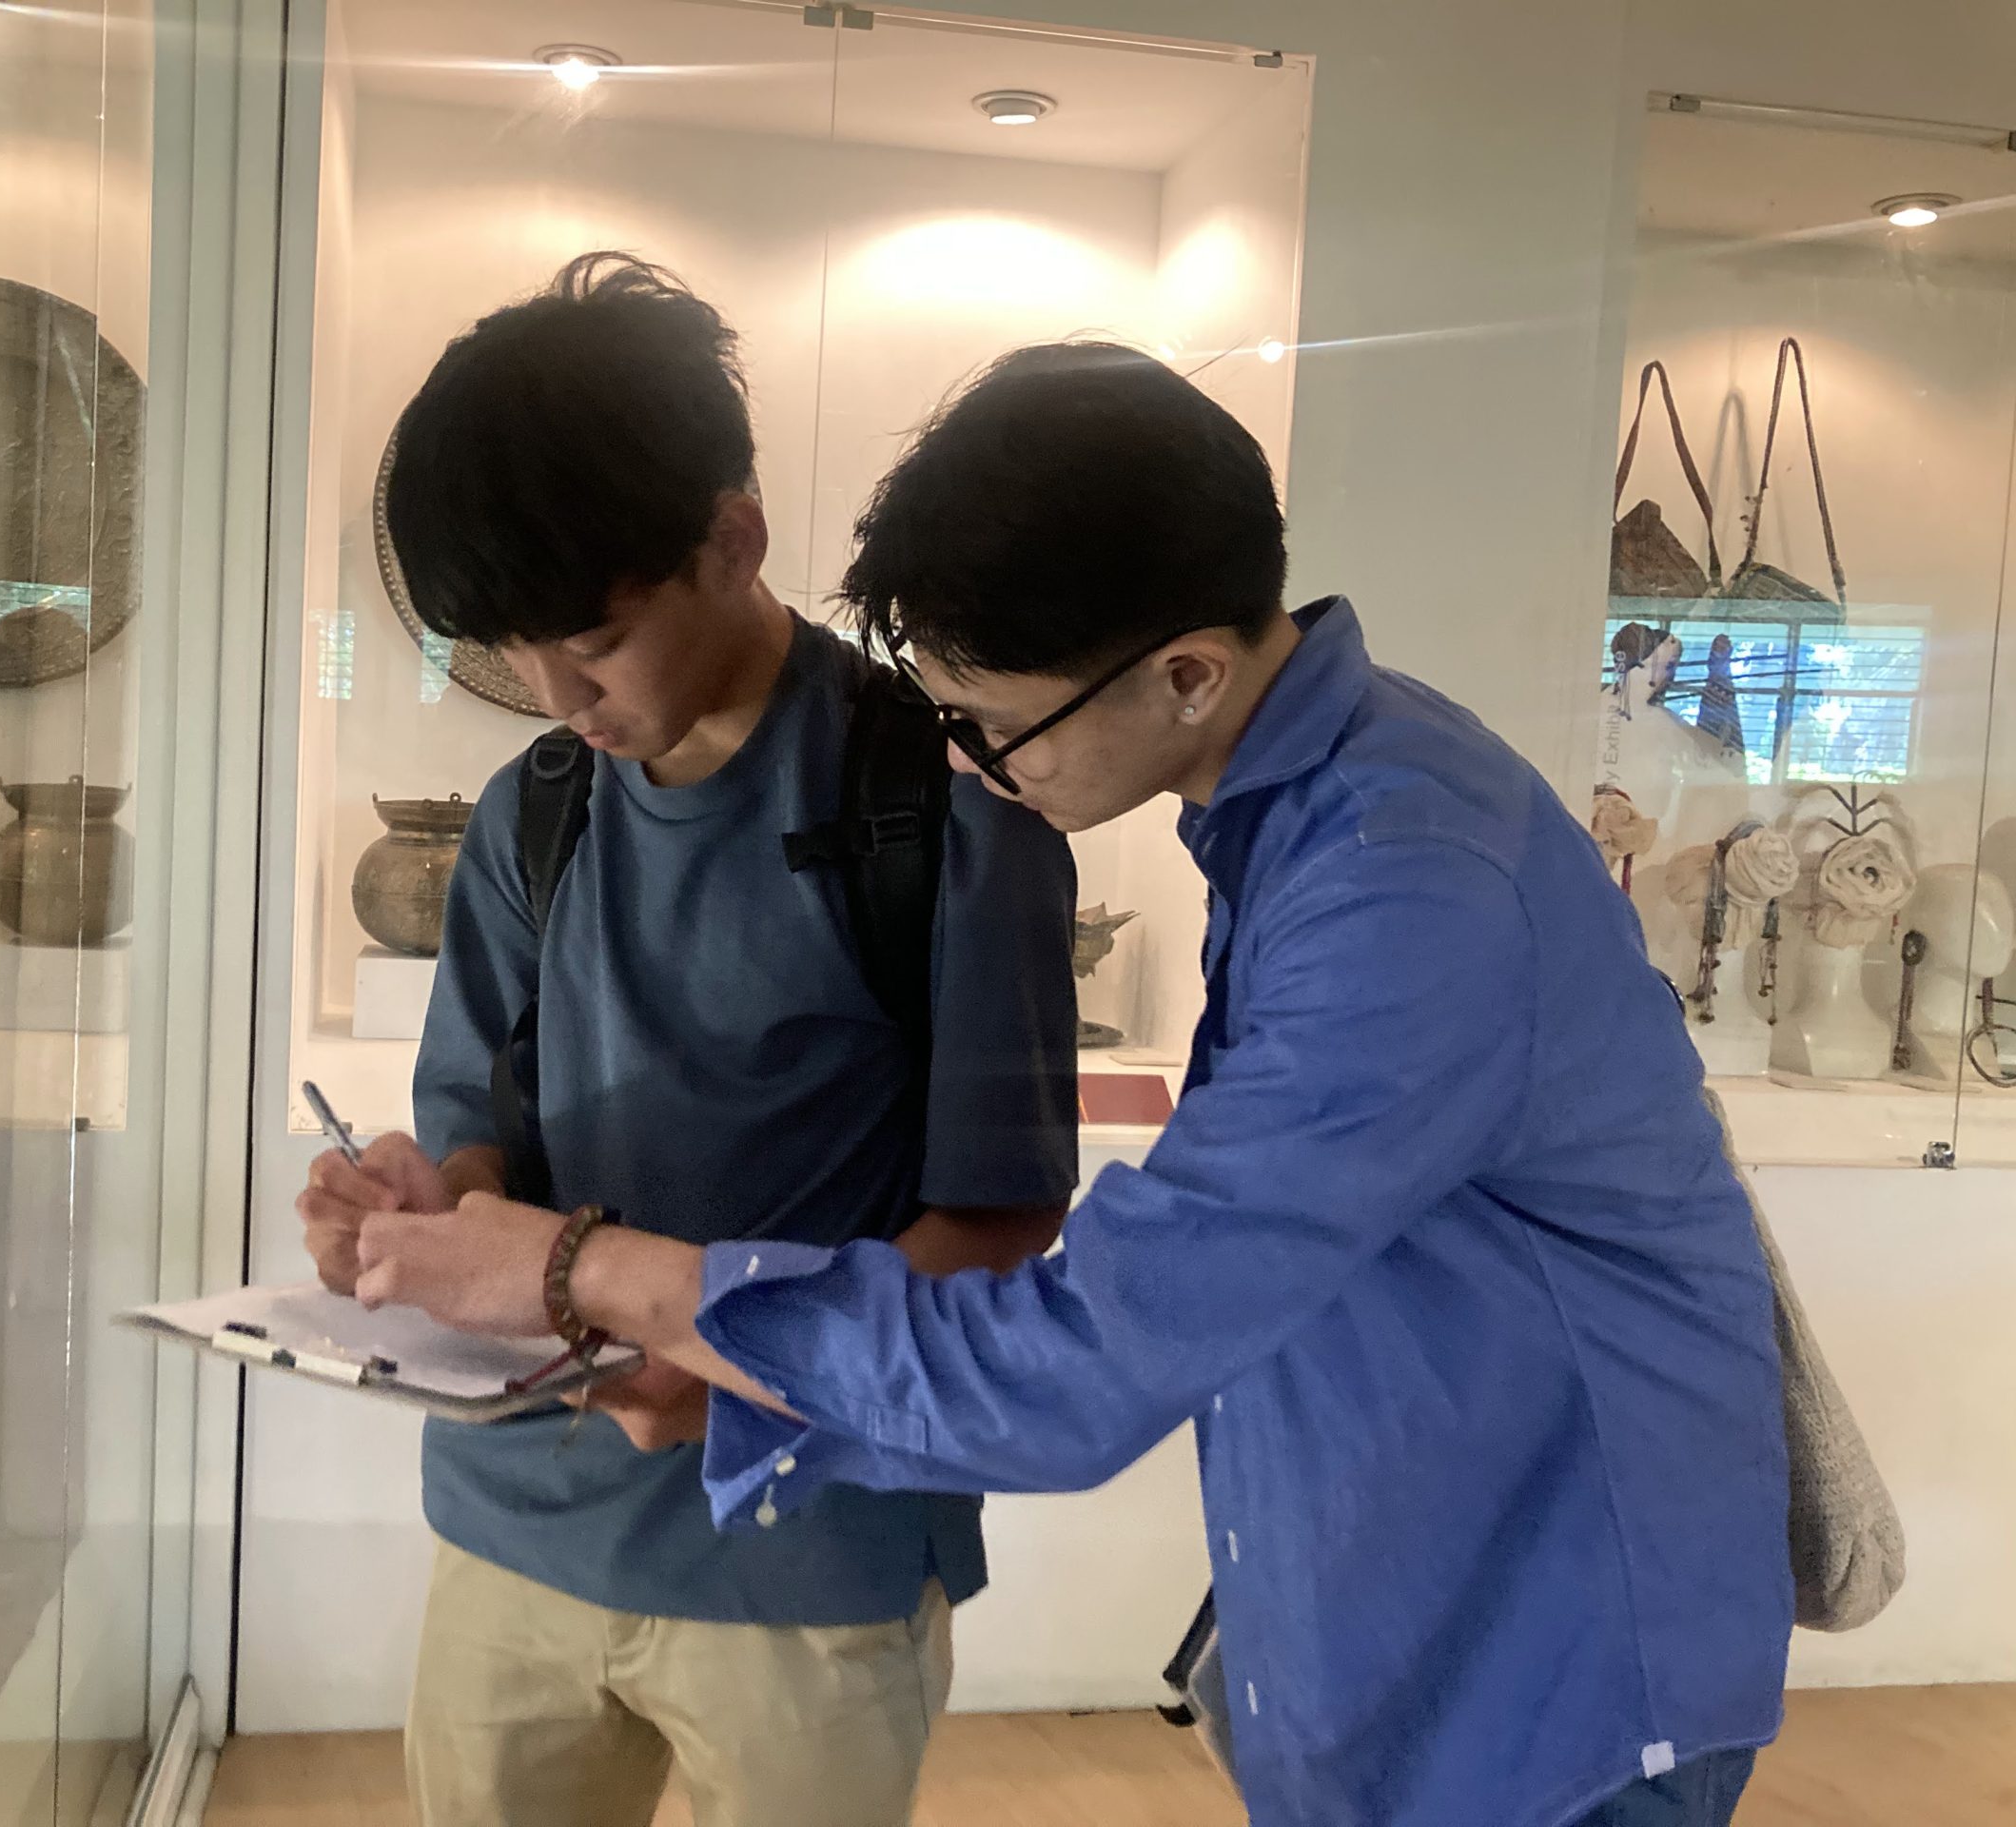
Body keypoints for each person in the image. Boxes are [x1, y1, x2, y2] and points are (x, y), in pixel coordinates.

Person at [340, 344, 1795, 1827]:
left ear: (1187, 675)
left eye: (988, 723)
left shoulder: (1400, 886)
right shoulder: (1322, 807)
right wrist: (489, 1233)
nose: (972, 768)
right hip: (1417, 1602)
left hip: (1552, 1668)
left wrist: (592, 1275)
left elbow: (1081, 1355)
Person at [297, 256, 1081, 1827]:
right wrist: (418, 1208)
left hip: (809, 1548)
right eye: (508, 648)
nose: (554, 693)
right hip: (520, 1521)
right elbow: (479, 1134)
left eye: (592, 636)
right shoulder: (535, 810)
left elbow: (999, 1225)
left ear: (734, 538)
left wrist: (725, 1377)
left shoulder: (939, 808)